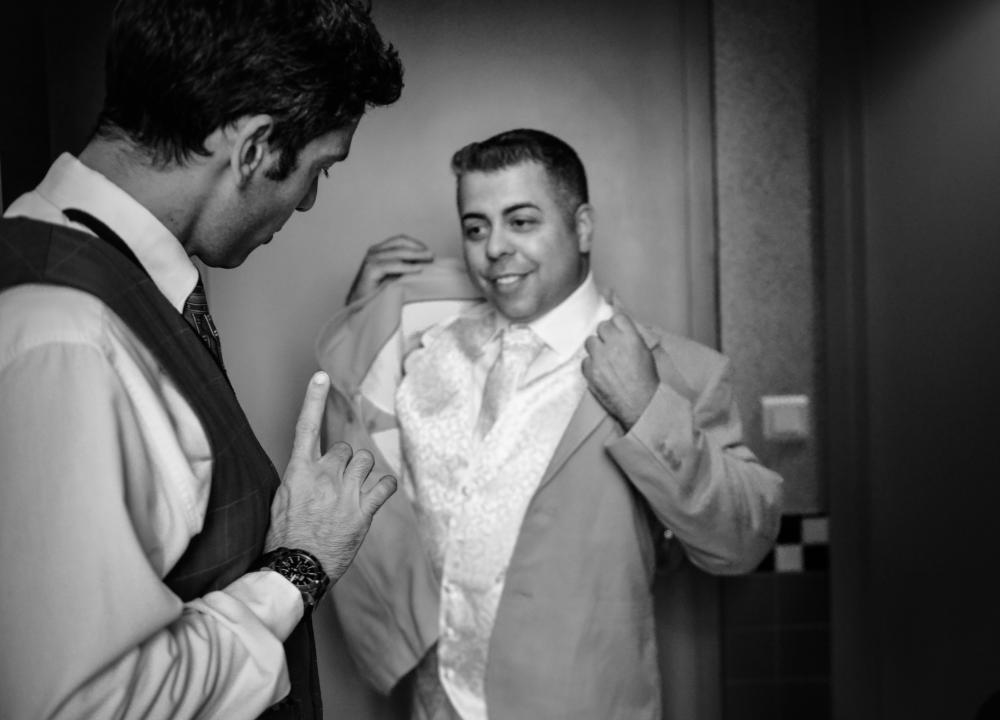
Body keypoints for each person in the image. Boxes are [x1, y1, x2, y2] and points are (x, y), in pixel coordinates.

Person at [0, 1, 403, 718]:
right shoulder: (63, 337)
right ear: (255, 149)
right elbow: (90, 706)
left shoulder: (114, 285)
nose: (309, 202)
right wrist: (298, 567)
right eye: (318, 169)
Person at [315, 128, 785, 719]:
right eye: (476, 228)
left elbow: (744, 542)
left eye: (521, 221)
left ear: (582, 227)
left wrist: (646, 409)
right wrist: (362, 321)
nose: (494, 248)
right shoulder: (424, 349)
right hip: (437, 706)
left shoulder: (679, 370)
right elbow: (352, 456)